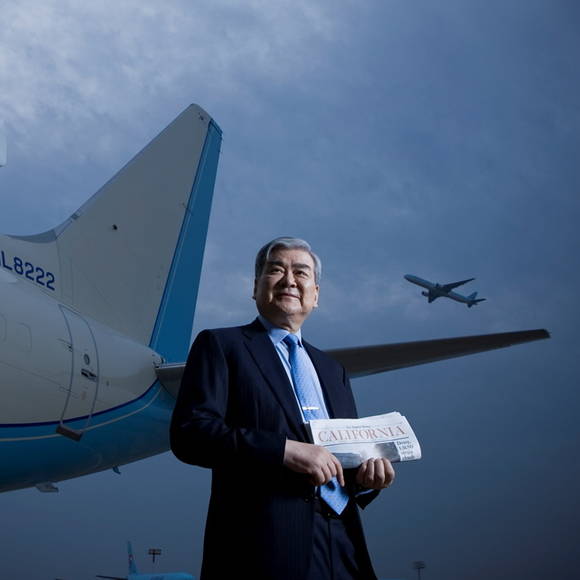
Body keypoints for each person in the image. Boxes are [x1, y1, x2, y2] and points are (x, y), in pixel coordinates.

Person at [170, 237, 395, 580]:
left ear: (315, 294)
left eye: (301, 273)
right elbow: (191, 434)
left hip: (343, 542)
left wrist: (367, 480)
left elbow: (340, 458)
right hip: (263, 546)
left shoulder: (333, 371)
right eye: (276, 270)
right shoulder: (221, 345)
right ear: (255, 287)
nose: (289, 280)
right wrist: (284, 450)